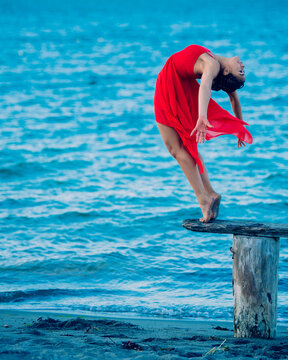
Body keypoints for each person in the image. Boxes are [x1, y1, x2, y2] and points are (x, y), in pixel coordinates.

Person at [154, 44, 253, 223]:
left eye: (240, 71)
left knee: (175, 149)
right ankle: (210, 194)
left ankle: (203, 199)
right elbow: (233, 98)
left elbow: (206, 84)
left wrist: (202, 117)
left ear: (227, 72)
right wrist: (239, 126)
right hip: (181, 85)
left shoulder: (213, 65)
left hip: (170, 84)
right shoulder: (216, 65)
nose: (243, 67)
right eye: (242, 71)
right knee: (185, 147)